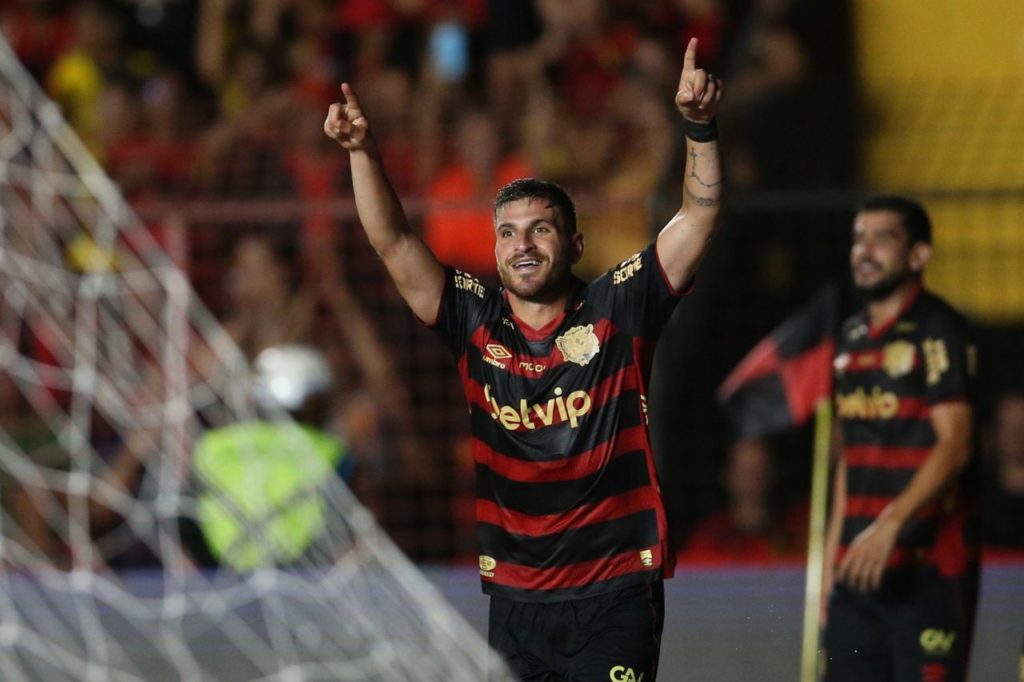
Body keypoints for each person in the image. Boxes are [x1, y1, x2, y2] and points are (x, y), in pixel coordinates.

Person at [325, 37, 723, 681]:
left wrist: (697, 126)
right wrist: (361, 152)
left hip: (615, 589)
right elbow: (393, 241)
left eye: (541, 228)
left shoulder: (617, 308)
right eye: (507, 232)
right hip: (516, 598)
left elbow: (698, 220)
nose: (522, 244)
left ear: (574, 244)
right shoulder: (473, 317)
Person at [823, 195, 980, 682]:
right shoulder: (850, 337)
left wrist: (890, 526)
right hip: (857, 575)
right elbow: (850, 455)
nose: (864, 251)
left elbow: (955, 444)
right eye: (858, 238)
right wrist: (833, 562)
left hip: (926, 571)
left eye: (882, 237)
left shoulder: (938, 330)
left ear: (918, 256)